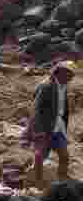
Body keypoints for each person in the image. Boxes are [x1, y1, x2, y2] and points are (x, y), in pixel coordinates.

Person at [32, 61, 76, 191]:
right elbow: (36, 109)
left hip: (59, 127)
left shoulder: (63, 87)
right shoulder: (46, 86)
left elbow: (63, 109)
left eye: (72, 75)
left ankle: (61, 180)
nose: (71, 78)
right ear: (61, 72)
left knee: (64, 155)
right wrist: (38, 130)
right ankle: (37, 182)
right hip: (45, 127)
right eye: (70, 74)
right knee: (40, 156)